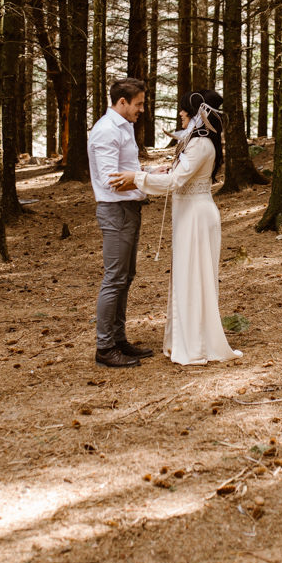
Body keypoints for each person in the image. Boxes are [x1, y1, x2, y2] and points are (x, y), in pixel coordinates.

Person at [110, 89, 242, 367]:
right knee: (185, 277)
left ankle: (196, 345)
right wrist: (153, 172)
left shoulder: (201, 143)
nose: (181, 114)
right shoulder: (194, 141)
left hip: (196, 216)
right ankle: (183, 340)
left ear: (198, 114)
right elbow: (176, 174)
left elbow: (176, 182)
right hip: (188, 215)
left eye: (185, 110)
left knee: (195, 278)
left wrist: (138, 178)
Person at [88, 78, 154, 369]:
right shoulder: (105, 131)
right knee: (114, 279)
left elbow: (127, 171)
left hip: (129, 209)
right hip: (115, 212)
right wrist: (147, 181)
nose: (142, 109)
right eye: (138, 104)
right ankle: (104, 348)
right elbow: (110, 181)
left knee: (126, 277)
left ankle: (119, 339)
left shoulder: (124, 126)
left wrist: (150, 172)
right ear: (122, 102)